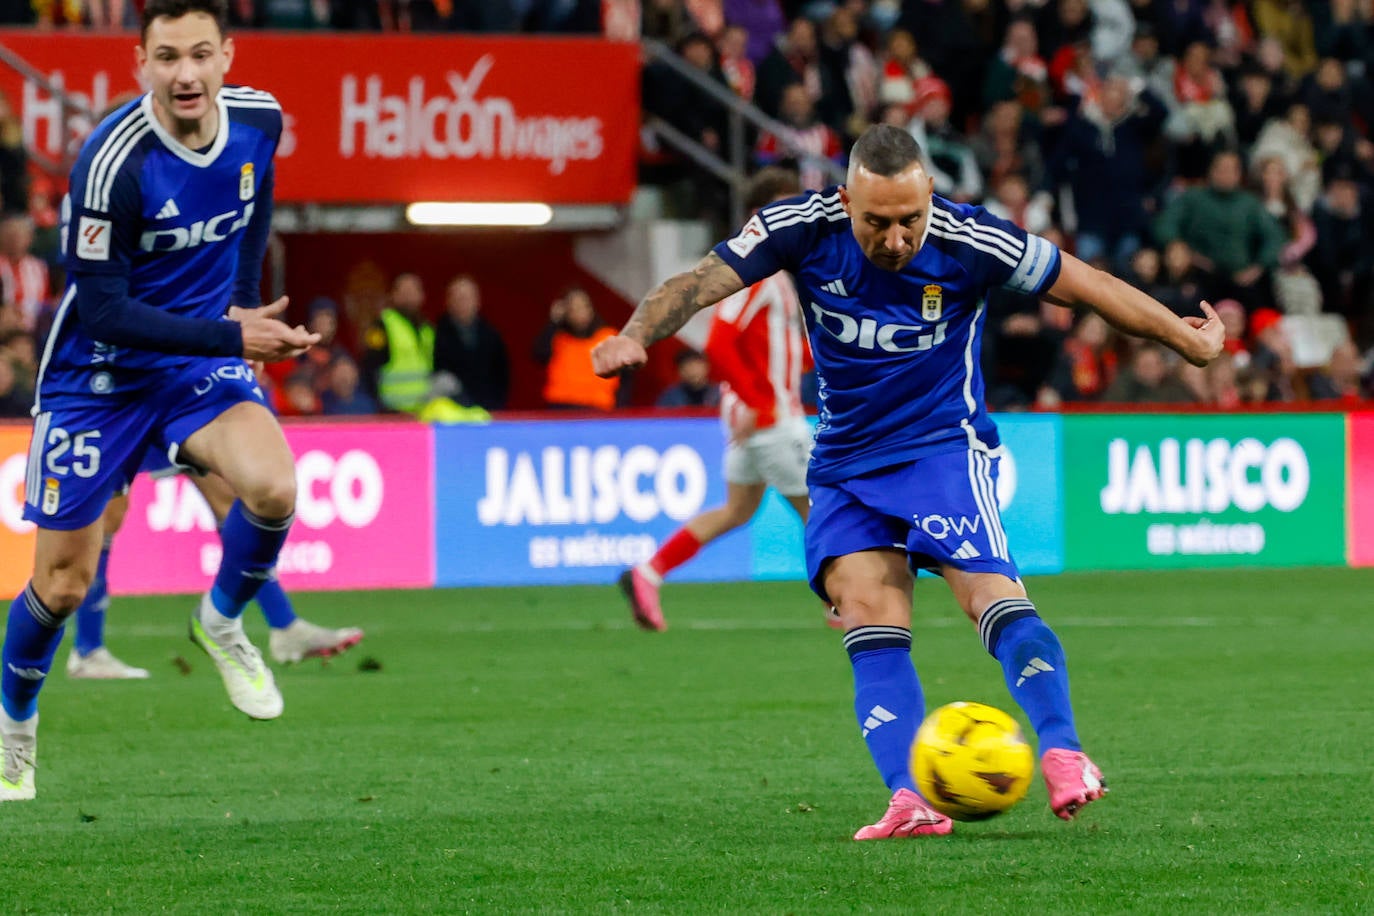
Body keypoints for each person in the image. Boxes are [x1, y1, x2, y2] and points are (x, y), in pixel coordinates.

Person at [592, 125, 1223, 839]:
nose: (894, 239)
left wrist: (1183, 336)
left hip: (940, 452)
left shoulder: (971, 239)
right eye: (876, 222)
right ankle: (908, 798)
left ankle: (1064, 750)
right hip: (845, 461)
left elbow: (1088, 286)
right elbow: (698, 283)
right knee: (867, 614)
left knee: (989, 596)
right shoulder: (800, 227)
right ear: (845, 199)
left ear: (930, 197)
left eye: (909, 221)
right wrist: (637, 334)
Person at [1, 0, 319, 802]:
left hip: (193, 365)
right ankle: (15, 727)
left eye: (202, 55)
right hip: (97, 378)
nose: (187, 74)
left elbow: (256, 206)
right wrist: (232, 338)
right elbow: (103, 309)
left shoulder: (258, 121)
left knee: (275, 487)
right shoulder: (112, 163)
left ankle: (219, 622)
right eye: (169, 56)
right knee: (65, 582)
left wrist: (240, 303)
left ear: (227, 56)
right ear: (138, 63)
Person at [621, 167, 811, 631]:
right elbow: (720, 342)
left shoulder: (776, 275)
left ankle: (649, 572)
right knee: (824, 512)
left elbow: (783, 350)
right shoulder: (757, 274)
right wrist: (757, 400)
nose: (800, 218)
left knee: (737, 511)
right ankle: (847, 606)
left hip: (759, 415)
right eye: (786, 207)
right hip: (771, 418)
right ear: (759, 215)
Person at [66, 465, 365, 679]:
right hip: (124, 395)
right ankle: (88, 651)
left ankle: (285, 626)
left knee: (226, 496)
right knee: (109, 514)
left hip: (169, 392)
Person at [361, 272, 435, 414]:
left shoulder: (427, 328)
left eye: (414, 291)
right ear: (394, 295)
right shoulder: (382, 324)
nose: (410, 296)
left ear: (422, 295)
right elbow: (369, 367)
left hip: (424, 410)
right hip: (393, 411)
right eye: (405, 291)